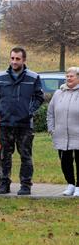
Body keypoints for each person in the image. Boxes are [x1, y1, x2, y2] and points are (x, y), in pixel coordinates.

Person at [0, 47, 44, 195]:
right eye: (12, 58)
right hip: (6, 124)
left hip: (25, 125)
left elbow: (39, 97)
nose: (14, 61)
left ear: (24, 60)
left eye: (17, 59)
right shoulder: (1, 78)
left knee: (25, 156)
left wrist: (28, 111)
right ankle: (4, 184)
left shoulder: (33, 77)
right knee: (5, 156)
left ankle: (25, 185)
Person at [47, 67, 79, 197]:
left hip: (77, 134)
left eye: (71, 76)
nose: (68, 78)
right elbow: (50, 112)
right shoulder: (58, 93)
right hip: (61, 134)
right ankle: (70, 184)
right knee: (65, 160)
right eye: (67, 76)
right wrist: (51, 128)